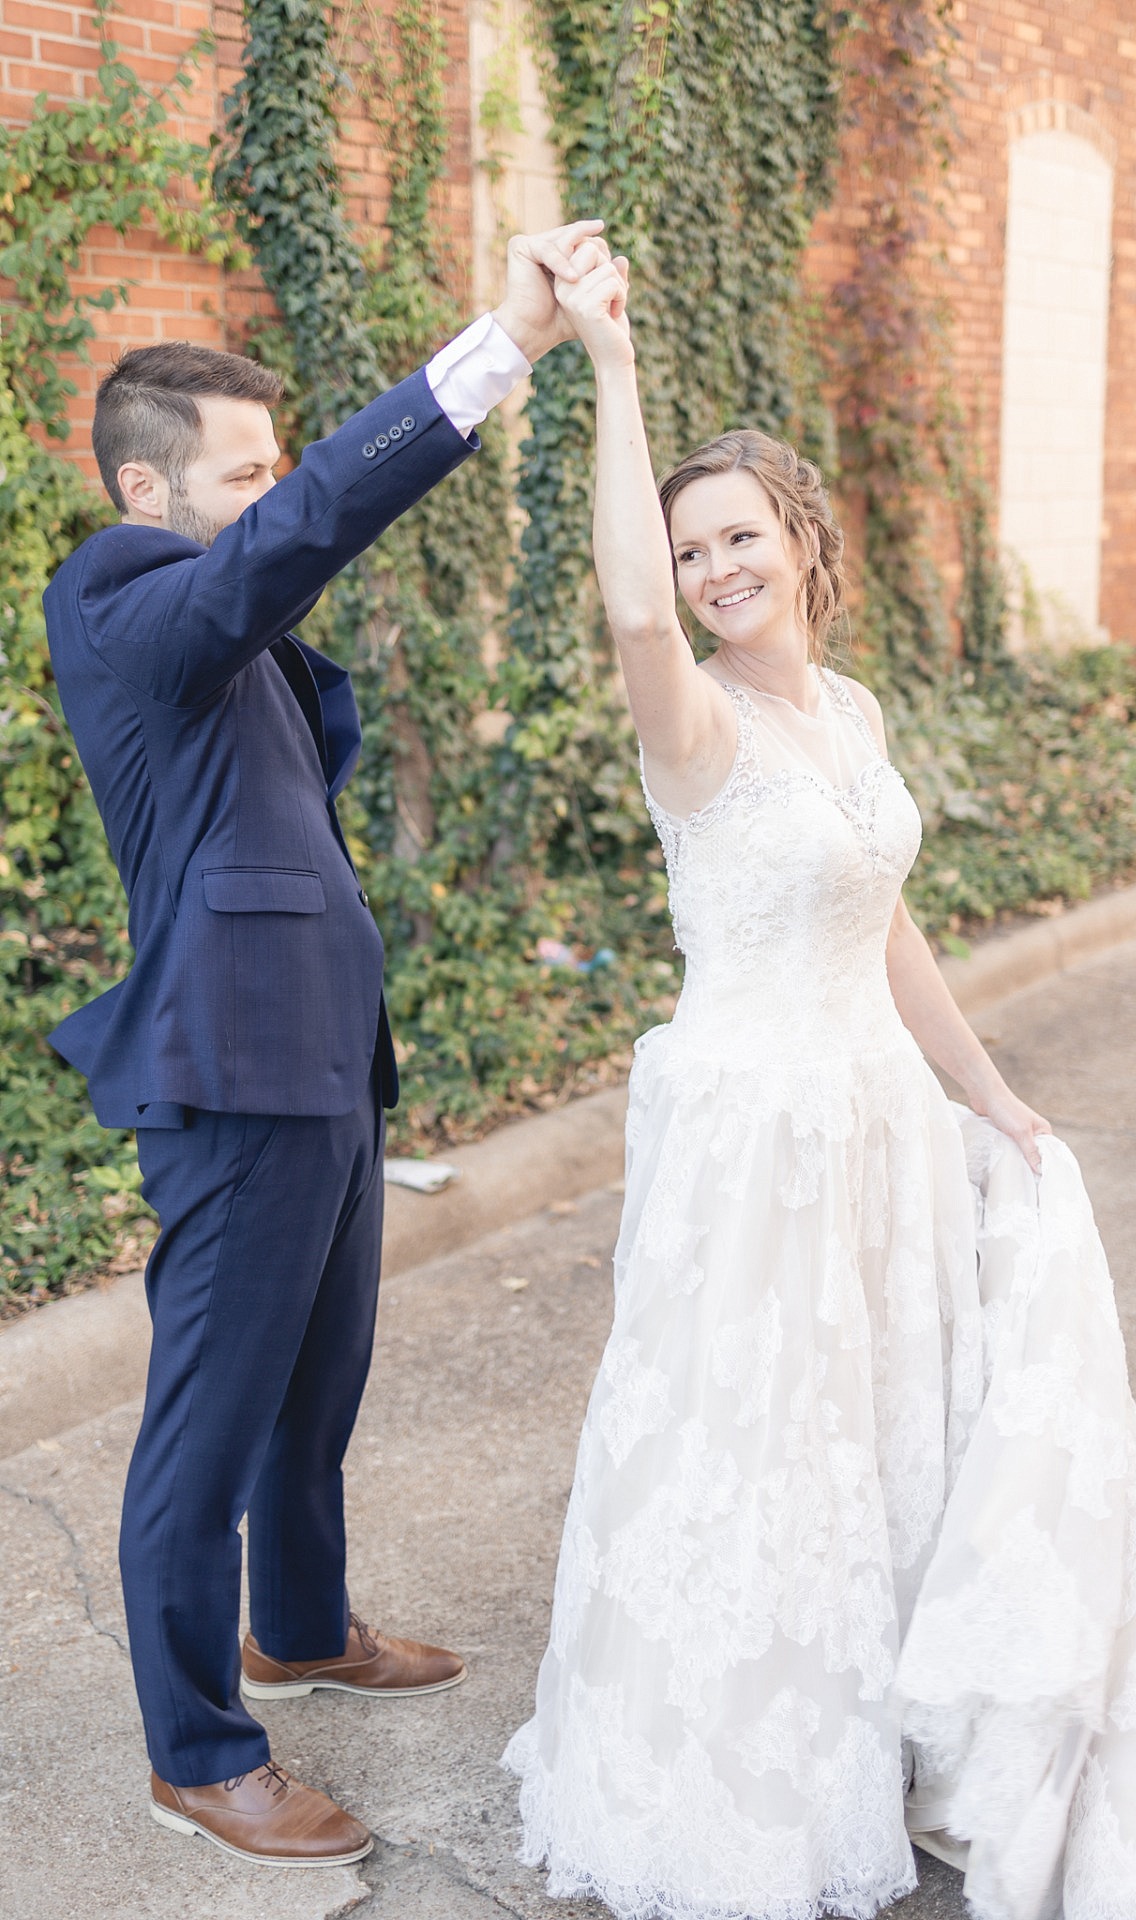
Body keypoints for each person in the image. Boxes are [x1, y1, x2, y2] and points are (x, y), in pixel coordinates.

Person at [501, 254, 1136, 1917]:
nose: (714, 569)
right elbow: (630, 615)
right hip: (753, 1132)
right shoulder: (692, 728)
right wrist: (612, 370)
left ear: (801, 542)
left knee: (876, 1442)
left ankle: (881, 1726)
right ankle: (741, 1781)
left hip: (876, 1122)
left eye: (739, 537)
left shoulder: (848, 712)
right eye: (692, 547)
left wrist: (991, 1096)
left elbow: (887, 920)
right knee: (755, 1448)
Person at [42, 220, 607, 1870]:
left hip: (323, 1057)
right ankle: (201, 1750)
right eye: (245, 473)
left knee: (316, 1382)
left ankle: (297, 1625)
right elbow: (295, 540)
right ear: (146, 491)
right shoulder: (114, 592)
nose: (273, 491)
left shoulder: (216, 618)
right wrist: (497, 350)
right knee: (210, 1418)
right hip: (233, 1069)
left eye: (274, 465)